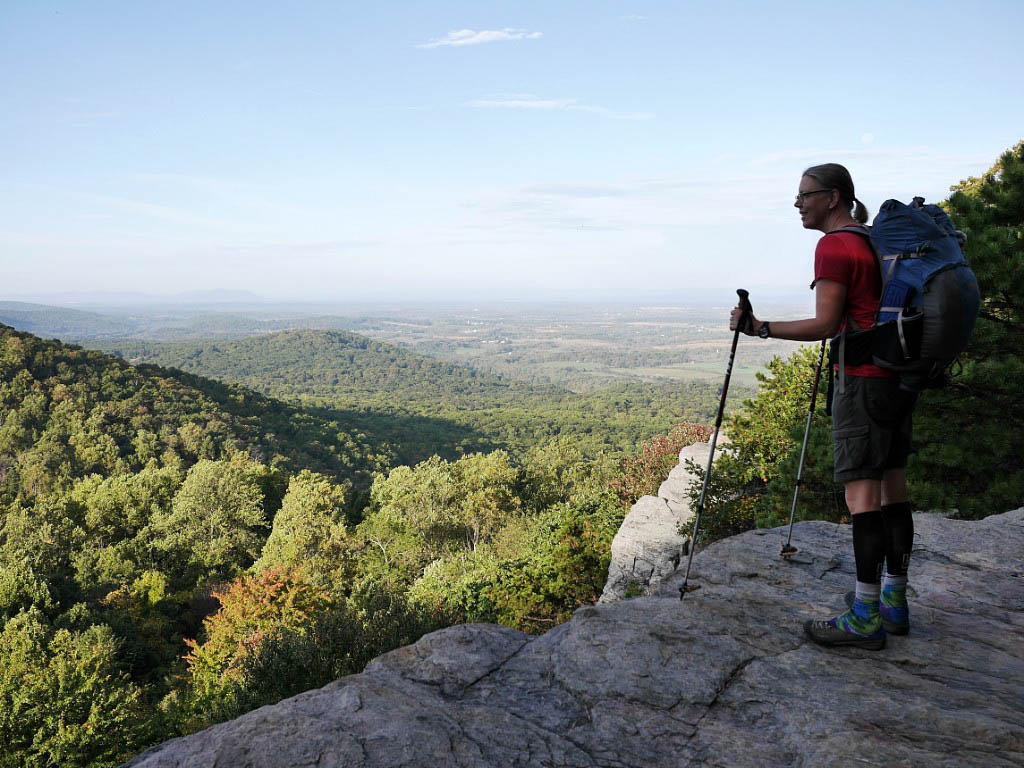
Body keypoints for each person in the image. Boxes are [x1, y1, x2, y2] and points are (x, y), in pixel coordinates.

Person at [729, 163, 916, 651]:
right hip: (898, 378)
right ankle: (895, 603)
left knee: (862, 500)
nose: (798, 203)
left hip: (863, 382)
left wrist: (760, 328)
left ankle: (864, 616)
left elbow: (825, 324)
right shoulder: (872, 240)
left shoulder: (835, 245)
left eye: (804, 195)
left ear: (833, 198)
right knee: (894, 487)